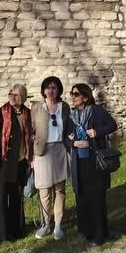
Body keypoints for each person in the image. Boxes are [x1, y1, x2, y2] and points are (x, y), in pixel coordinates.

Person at [68, 83, 117, 245]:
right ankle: (87, 231)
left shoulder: (97, 111)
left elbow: (112, 125)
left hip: (94, 160)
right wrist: (73, 143)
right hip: (79, 161)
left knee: (96, 197)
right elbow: (65, 137)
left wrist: (97, 132)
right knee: (82, 196)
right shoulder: (72, 116)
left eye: (76, 94)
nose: (73, 97)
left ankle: (99, 233)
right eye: (72, 94)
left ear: (85, 97)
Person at [0, 83, 33, 248]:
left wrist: (30, 158)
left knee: (16, 198)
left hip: (20, 163)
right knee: (0, 198)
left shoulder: (27, 113)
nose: (12, 97)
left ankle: (16, 230)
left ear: (23, 97)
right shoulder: (1, 113)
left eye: (16, 95)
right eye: (10, 94)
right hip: (2, 164)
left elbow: (30, 135)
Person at [31, 76, 71, 240]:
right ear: (43, 91)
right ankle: (46, 223)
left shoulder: (64, 107)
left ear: (59, 90)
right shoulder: (37, 108)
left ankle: (58, 225)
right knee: (44, 190)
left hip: (60, 150)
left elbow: (68, 127)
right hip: (42, 152)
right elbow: (30, 131)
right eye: (48, 88)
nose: (51, 91)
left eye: (54, 88)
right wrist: (31, 156)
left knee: (59, 190)